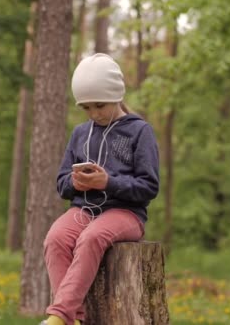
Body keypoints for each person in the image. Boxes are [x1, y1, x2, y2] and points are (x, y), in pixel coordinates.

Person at [40, 53, 160, 325]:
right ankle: (75, 320)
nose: (94, 114)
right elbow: (62, 184)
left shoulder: (140, 132)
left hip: (126, 214)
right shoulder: (80, 133)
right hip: (83, 208)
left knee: (91, 238)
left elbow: (149, 187)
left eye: (100, 105)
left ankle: (59, 316)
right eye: (86, 108)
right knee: (55, 239)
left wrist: (109, 182)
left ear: (117, 95)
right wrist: (77, 183)